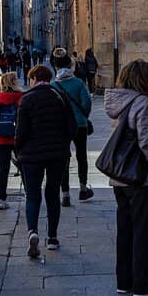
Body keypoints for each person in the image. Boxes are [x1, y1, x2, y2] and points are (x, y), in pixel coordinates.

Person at [104, 60, 148, 296]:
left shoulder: (119, 101)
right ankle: (146, 286)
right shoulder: (143, 102)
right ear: (142, 79)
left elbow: (128, 135)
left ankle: (126, 281)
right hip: (139, 177)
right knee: (145, 231)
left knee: (126, 230)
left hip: (120, 177)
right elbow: (145, 143)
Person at [15, 65, 75, 257]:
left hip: (31, 156)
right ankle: (52, 237)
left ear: (33, 79)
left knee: (32, 196)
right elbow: (71, 126)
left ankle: (32, 231)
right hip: (57, 155)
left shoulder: (27, 99)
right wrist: (63, 144)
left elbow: (21, 132)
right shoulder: (60, 97)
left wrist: (18, 151)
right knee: (52, 193)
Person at [51, 48, 93, 205]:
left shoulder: (53, 85)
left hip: (62, 126)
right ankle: (83, 188)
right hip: (80, 124)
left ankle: (65, 194)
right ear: (70, 66)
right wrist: (82, 116)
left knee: (64, 158)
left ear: (56, 68)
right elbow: (86, 103)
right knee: (81, 156)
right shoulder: (78, 83)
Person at [0, 72, 22, 210]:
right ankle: (30, 192)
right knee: (23, 166)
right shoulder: (20, 97)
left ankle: (1, 199)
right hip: (17, 137)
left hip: (1, 138)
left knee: (2, 169)